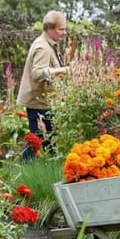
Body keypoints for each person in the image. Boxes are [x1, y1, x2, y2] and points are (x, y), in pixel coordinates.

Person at [17, 10, 69, 160]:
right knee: (38, 142)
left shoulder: (47, 43)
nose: (64, 33)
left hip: (41, 101)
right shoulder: (43, 48)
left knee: (45, 142)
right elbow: (37, 73)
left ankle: (35, 169)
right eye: (61, 29)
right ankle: (22, 169)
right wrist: (62, 71)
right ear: (50, 28)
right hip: (39, 103)